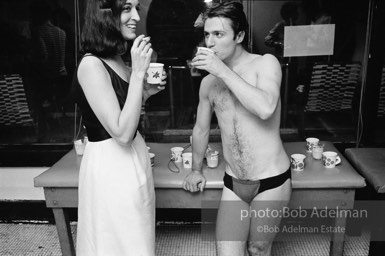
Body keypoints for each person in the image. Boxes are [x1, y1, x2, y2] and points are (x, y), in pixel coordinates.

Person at [182, 2, 291, 256]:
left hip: (271, 180)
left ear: (239, 36)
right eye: (207, 34)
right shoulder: (208, 83)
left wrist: (222, 71)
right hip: (234, 183)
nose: (209, 42)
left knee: (258, 248)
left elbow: (265, 107)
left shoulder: (266, 63)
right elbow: (200, 130)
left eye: (218, 34)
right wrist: (196, 170)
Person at [74, 0, 166, 255]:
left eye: (137, 8)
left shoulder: (115, 58)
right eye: (127, 8)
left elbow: (126, 115)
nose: (136, 16)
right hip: (110, 166)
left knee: (137, 239)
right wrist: (137, 73)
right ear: (105, 13)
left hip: (135, 157)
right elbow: (122, 133)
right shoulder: (91, 65)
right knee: (115, 241)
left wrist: (145, 93)